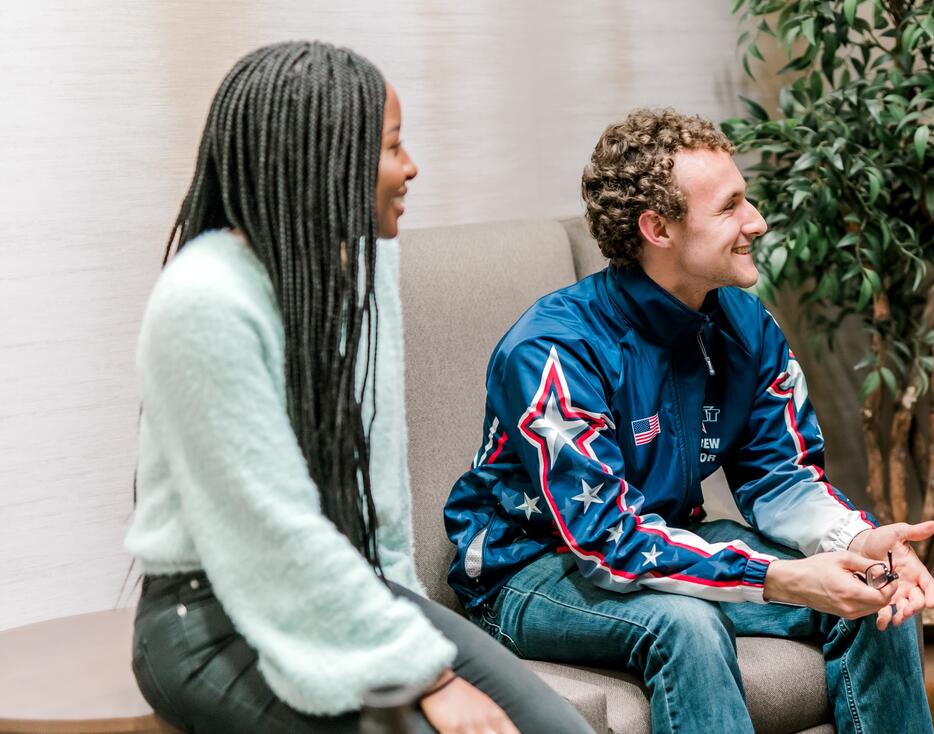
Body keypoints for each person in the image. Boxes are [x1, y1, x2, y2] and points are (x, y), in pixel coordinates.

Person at [124, 40, 592, 734]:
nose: (411, 168)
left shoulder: (356, 271)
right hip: (211, 620)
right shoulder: (205, 300)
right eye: (392, 147)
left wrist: (404, 613)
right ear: (323, 160)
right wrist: (424, 677)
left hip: (346, 591)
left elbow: (376, 490)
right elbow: (271, 530)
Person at [442, 107, 934, 734]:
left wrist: (857, 543)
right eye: (730, 207)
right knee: (686, 623)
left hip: (662, 537)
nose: (756, 222)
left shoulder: (743, 324)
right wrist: (781, 577)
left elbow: (779, 477)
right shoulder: (554, 350)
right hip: (529, 570)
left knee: (875, 589)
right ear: (658, 228)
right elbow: (606, 542)